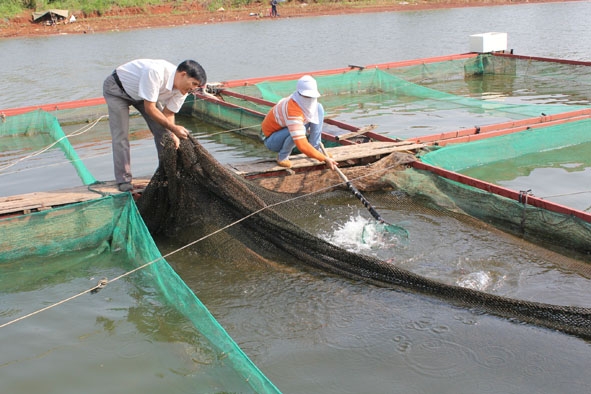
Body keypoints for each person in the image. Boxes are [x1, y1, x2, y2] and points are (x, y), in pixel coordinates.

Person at [103, 59, 206, 192]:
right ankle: (124, 180)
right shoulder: (155, 72)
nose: (193, 88)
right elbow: (150, 108)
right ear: (183, 74)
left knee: (164, 134)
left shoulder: (183, 90)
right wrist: (174, 128)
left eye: (197, 86)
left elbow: (168, 113)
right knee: (121, 135)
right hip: (117, 89)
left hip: (144, 96)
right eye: (193, 83)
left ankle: (167, 174)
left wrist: (173, 133)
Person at [260, 75, 337, 171]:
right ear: (299, 94)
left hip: (285, 130)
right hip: (271, 139)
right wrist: (324, 159)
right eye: (306, 96)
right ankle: (282, 156)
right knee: (300, 130)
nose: (309, 99)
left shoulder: (310, 105)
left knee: (319, 108)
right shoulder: (292, 109)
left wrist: (317, 154)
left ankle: (315, 147)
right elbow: (302, 145)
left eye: (312, 96)